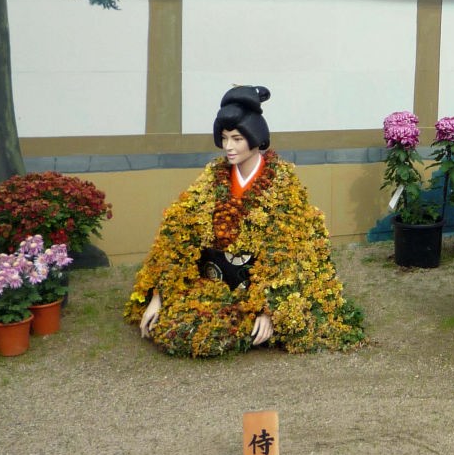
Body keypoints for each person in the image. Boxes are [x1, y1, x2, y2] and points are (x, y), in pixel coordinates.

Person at [125, 86, 363, 357]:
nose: (229, 147)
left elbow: (287, 250)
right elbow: (178, 229)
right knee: (183, 326)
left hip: (255, 283)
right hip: (215, 280)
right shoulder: (212, 178)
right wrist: (160, 294)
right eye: (224, 138)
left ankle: (257, 316)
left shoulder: (282, 184)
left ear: (255, 137)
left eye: (237, 139)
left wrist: (269, 309)